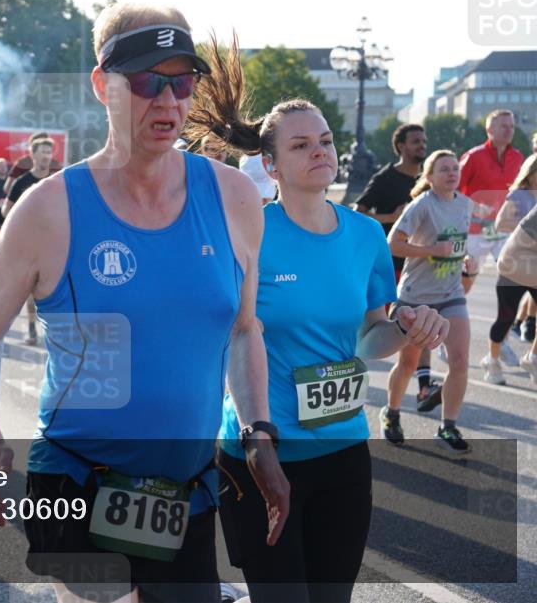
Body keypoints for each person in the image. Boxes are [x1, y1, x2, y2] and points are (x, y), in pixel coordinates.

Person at [0, 4, 288, 603]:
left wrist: (258, 431)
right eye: (146, 81)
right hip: (77, 484)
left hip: (184, 492)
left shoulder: (235, 198)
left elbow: (244, 330)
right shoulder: (48, 209)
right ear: (102, 85)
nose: (167, 101)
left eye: (182, 82)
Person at [186, 40, 448, 602]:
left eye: (325, 141)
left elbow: (369, 336)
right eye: (301, 145)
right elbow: (233, 336)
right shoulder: (249, 232)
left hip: (344, 451)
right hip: (261, 454)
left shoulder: (365, 235)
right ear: (270, 164)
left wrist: (409, 326)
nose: (320, 152)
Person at [384, 150, 476, 454]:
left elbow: (463, 246)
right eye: (444, 169)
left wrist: (468, 264)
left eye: (454, 168)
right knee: (409, 362)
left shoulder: (464, 205)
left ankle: (447, 426)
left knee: (460, 360)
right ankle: (392, 413)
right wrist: (433, 249)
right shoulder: (422, 205)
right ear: (430, 176)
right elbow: (393, 244)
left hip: (451, 294)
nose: (451, 173)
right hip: (415, 297)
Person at [354, 124, 445, 409]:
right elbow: (360, 212)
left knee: (421, 320)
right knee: (387, 329)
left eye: (424, 140)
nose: (422, 145)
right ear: (401, 146)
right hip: (389, 264)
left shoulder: (426, 180)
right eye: (416, 141)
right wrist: (390, 216)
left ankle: (423, 385)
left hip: (420, 263)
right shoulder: (385, 178)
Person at [458, 109, 526, 290]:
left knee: (515, 276)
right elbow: (452, 192)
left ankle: (517, 318)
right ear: (489, 130)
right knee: (465, 280)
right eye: (504, 126)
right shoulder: (473, 156)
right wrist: (474, 206)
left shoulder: (518, 157)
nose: (509, 130)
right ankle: (452, 312)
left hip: (503, 229)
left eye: (511, 126)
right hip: (474, 230)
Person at [3, 135, 55, 346]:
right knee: (32, 291)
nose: (46, 156)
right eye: (42, 151)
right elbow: (6, 210)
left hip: (54, 244)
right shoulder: (22, 182)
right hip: (30, 245)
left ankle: (53, 332)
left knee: (54, 288)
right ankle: (32, 329)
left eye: (49, 152)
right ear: (33, 155)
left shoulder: (57, 180)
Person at [496, 194, 537, 384]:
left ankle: (533, 357)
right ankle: (494, 358)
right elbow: (501, 223)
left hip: (522, 259)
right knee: (504, 318)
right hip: (518, 260)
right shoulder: (520, 193)